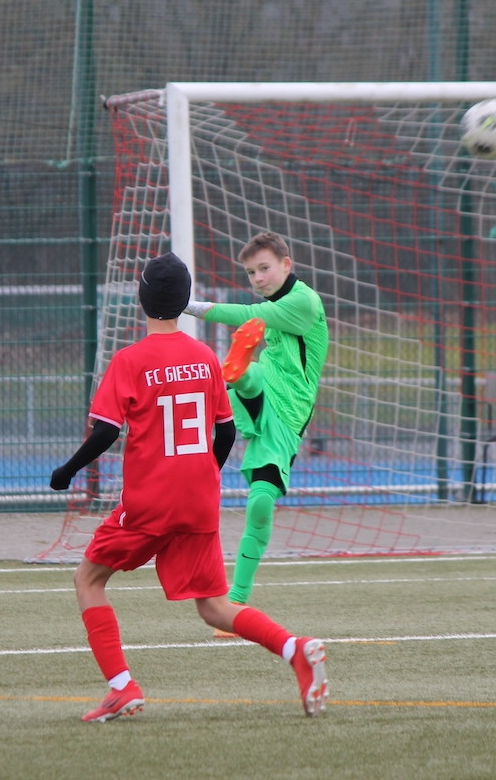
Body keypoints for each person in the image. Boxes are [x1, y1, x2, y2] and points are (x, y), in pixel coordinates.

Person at [50, 252, 328, 722]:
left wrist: (68, 470)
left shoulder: (130, 360)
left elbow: (105, 432)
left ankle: (121, 687)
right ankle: (294, 648)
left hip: (150, 501)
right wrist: (206, 474)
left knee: (88, 579)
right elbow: (224, 432)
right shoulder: (204, 358)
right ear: (183, 302)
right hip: (198, 501)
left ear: (141, 300)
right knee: (215, 607)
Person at [183, 232, 328, 627]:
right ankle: (236, 375)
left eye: (264, 268)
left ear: (287, 263)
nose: (258, 278)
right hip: (266, 384)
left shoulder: (303, 301)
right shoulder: (274, 303)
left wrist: (194, 307)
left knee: (260, 503)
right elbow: (254, 315)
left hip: (288, 413)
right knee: (245, 377)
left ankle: (238, 598)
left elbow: (250, 316)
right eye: (251, 272)